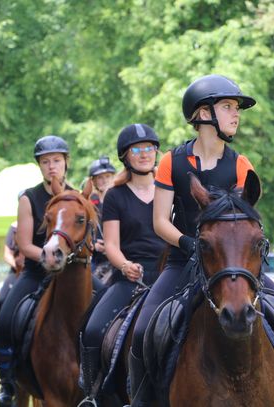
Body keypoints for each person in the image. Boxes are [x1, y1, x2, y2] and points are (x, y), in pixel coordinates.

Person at [129, 74, 274, 407]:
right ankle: (142, 399)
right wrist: (189, 245)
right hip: (185, 261)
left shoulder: (241, 165)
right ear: (203, 114)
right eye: (227, 107)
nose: (235, 114)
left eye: (236, 108)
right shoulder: (171, 163)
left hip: (232, 262)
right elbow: (160, 221)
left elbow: (242, 225)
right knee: (144, 329)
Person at [0, 135, 105, 406]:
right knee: (5, 317)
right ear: (39, 166)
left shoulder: (79, 197)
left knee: (108, 307)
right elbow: (24, 244)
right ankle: (7, 384)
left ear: (66, 163)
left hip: (73, 273)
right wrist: (48, 255)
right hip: (36, 271)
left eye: (56, 160)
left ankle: (110, 377)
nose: (51, 166)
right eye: (45, 161)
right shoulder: (29, 198)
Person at [79, 124, 165, 405]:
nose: (144, 154)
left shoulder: (170, 188)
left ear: (156, 152)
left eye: (149, 148)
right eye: (137, 150)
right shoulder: (115, 196)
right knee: (92, 328)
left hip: (169, 273)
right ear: (125, 156)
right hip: (131, 276)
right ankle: (91, 395)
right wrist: (125, 265)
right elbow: (112, 245)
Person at [88, 156, 116, 285]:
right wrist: (93, 244)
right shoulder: (88, 203)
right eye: (100, 177)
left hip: (119, 256)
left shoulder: (120, 199)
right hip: (97, 259)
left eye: (107, 176)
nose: (104, 180)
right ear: (93, 181)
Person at [0, 221, 25, 321]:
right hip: (16, 271)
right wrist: (19, 266)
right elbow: (7, 255)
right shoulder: (14, 227)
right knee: (1, 301)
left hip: (34, 270)